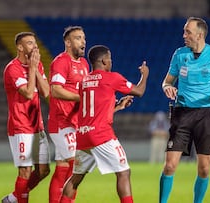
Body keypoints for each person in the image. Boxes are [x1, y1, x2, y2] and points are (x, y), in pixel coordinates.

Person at [60, 45, 149, 203]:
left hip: (83, 136)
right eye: (109, 58)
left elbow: (94, 110)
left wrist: (118, 106)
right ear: (103, 61)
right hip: (101, 135)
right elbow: (139, 91)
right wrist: (145, 75)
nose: (111, 61)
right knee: (123, 172)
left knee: (75, 179)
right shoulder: (111, 78)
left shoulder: (84, 82)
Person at [160, 17, 210, 203]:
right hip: (182, 113)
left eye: (188, 32)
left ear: (199, 35)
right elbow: (167, 81)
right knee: (169, 166)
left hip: (205, 115)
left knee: (204, 168)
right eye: (184, 31)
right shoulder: (179, 54)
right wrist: (167, 87)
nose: (184, 35)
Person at [2, 32, 50, 203]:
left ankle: (13, 197)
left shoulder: (37, 65)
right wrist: (32, 69)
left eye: (35, 43)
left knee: (44, 170)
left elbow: (45, 92)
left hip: (38, 125)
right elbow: (29, 94)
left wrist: (35, 69)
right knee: (25, 172)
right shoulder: (12, 68)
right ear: (20, 47)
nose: (35, 46)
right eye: (30, 43)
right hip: (21, 126)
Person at [48, 26, 89, 203]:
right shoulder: (61, 62)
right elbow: (55, 90)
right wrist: (80, 98)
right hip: (61, 122)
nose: (83, 42)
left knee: (62, 167)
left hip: (75, 122)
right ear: (68, 42)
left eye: (84, 38)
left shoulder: (84, 64)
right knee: (77, 167)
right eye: (78, 38)